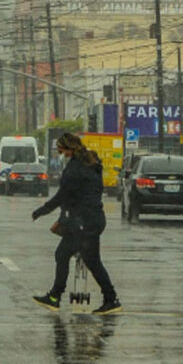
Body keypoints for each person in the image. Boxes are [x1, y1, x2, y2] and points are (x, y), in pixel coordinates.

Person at [31, 132, 121, 315]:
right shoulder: (92, 163)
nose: (60, 153)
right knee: (88, 260)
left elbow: (63, 195)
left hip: (83, 222)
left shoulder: (75, 169)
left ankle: (56, 297)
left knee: (65, 255)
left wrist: (42, 210)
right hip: (93, 218)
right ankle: (109, 299)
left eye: (61, 149)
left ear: (69, 149)